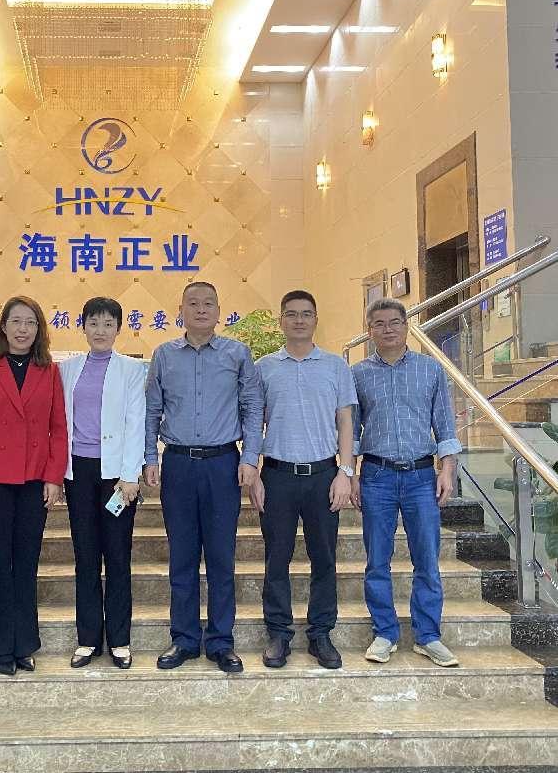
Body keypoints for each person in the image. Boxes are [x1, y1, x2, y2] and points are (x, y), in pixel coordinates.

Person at [145, 281, 263, 674]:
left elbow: (252, 407)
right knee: (181, 557)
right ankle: (183, 639)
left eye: (208, 304)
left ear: (218, 310)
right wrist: (150, 459)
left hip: (223, 464)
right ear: (180, 310)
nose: (200, 310)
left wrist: (251, 458)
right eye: (192, 304)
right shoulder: (164, 355)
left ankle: (221, 642)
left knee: (220, 558)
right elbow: (151, 411)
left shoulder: (237, 354)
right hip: (178, 464)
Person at [351, 297, 462, 667]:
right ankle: (384, 633)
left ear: (407, 326)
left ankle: (428, 636)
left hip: (421, 476)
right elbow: (351, 431)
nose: (388, 329)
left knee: (427, 559)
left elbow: (445, 425)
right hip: (376, 476)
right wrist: (350, 473)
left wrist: (447, 470)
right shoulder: (358, 374)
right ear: (369, 331)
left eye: (394, 322)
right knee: (376, 560)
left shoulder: (430, 370)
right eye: (379, 324)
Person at [0, 296, 68, 676]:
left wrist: (54, 476)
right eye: (16, 321)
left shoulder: (49, 371)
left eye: (30, 322)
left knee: (26, 563)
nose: (23, 329)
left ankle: (24, 644)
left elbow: (58, 429)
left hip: (34, 480)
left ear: (39, 330)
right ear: (3, 326)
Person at [251, 291, 357, 670]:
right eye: (292, 314)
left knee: (324, 558)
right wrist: (254, 473)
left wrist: (345, 472)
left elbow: (346, 422)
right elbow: (253, 423)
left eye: (306, 314)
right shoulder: (264, 368)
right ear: (281, 320)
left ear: (315, 319)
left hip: (323, 475)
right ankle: (279, 633)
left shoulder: (335, 366)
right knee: (276, 558)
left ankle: (320, 633)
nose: (299, 320)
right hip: (276, 476)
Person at [59, 297, 146, 670]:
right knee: (85, 557)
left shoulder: (132, 370)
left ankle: (120, 640)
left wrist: (130, 475)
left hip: (117, 476)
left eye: (108, 324)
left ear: (118, 329)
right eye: (93, 323)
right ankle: (88, 639)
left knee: (118, 557)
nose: (100, 330)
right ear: (83, 327)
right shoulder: (67, 369)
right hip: (78, 471)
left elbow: (136, 422)